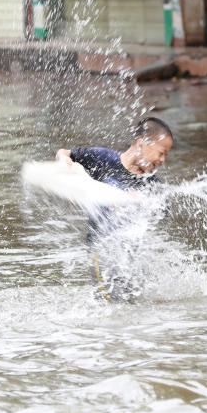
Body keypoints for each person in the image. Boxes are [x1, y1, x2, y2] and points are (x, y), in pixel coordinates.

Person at [55, 117, 174, 302]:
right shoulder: (103, 158)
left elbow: (162, 213)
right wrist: (64, 163)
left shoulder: (152, 184)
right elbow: (65, 153)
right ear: (141, 143)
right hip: (101, 253)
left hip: (132, 259)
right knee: (109, 305)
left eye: (166, 155)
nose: (162, 160)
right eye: (161, 153)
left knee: (131, 307)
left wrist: (142, 205)